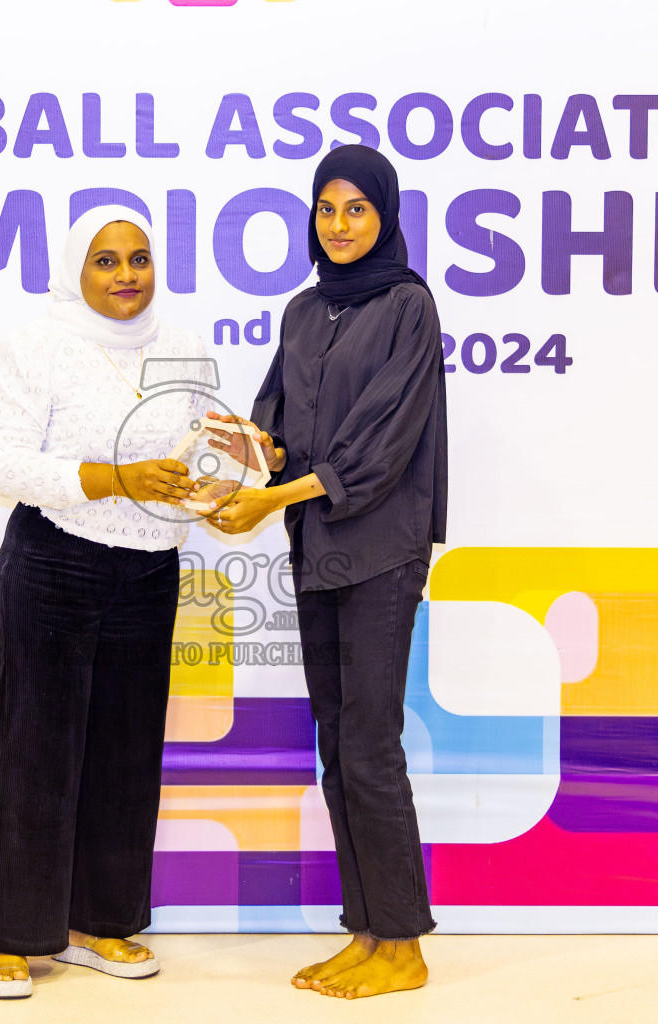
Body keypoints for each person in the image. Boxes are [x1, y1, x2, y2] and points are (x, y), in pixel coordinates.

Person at [204, 145, 447, 999]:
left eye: (356, 209)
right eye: (326, 209)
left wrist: (271, 501)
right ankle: (368, 931)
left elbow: (378, 446)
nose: (339, 226)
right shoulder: (305, 311)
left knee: (371, 748)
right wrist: (243, 452)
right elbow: (278, 424)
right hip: (317, 550)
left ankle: (406, 947)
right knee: (338, 748)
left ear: (384, 215)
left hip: (381, 551)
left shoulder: (409, 307)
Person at [0, 207, 208, 999]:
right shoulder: (36, 344)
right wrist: (114, 478)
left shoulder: (180, 346)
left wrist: (235, 462)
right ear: (76, 268)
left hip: (149, 568)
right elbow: (1, 464)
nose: (125, 276)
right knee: (37, 752)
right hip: (53, 562)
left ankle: (99, 921)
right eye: (105, 261)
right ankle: (13, 935)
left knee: (126, 752)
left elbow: (197, 445)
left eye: (138, 259)